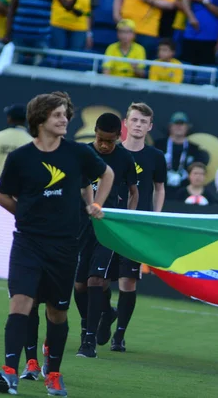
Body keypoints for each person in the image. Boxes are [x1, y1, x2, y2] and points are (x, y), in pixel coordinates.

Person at [0, 91, 114, 397]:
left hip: (64, 246)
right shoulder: (20, 158)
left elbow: (106, 173)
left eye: (65, 115)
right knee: (20, 302)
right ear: (40, 118)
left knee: (57, 313)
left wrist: (96, 204)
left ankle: (53, 373)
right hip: (28, 243)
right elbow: (3, 195)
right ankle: (8, 372)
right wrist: (28, 215)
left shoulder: (76, 153)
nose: (65, 120)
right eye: (58, 115)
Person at [73, 113, 139, 358]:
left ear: (118, 137)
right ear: (95, 132)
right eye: (100, 139)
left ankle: (87, 341)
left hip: (108, 226)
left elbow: (134, 192)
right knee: (79, 286)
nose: (103, 145)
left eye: (109, 141)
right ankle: (103, 314)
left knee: (95, 281)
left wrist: (127, 221)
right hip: (82, 225)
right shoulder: (84, 153)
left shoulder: (124, 158)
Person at [108, 102, 166, 352]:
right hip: (110, 224)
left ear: (150, 126)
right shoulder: (112, 151)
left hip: (137, 228)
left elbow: (160, 188)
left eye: (144, 121)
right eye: (135, 120)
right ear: (126, 123)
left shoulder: (155, 157)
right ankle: (103, 316)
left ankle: (119, 335)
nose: (139, 125)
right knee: (96, 280)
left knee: (128, 282)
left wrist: (156, 217)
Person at [154, 111, 209, 200]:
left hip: (185, 195)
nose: (179, 127)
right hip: (160, 190)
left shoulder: (194, 149)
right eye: (176, 123)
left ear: (187, 127)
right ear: (170, 126)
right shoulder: (159, 145)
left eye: (182, 124)